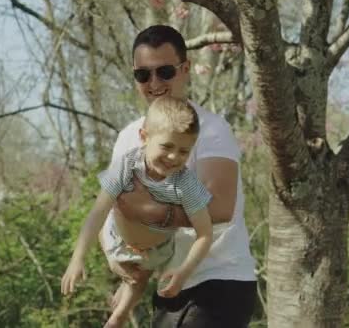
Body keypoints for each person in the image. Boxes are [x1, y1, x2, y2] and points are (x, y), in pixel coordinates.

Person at [100, 25, 257, 327]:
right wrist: (119, 262)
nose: (154, 82)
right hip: (171, 284)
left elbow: (221, 206)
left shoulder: (211, 129)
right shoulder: (127, 138)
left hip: (219, 281)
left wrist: (151, 212)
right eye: (143, 75)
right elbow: (114, 210)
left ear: (185, 69)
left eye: (165, 72)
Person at [61, 96, 214, 328]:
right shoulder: (127, 166)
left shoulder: (185, 182)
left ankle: (119, 317)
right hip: (115, 237)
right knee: (108, 223)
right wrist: (77, 259)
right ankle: (121, 288)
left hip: (155, 250)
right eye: (167, 146)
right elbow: (97, 213)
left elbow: (205, 233)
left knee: (139, 277)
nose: (174, 157)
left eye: (184, 151)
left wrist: (183, 272)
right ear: (144, 137)